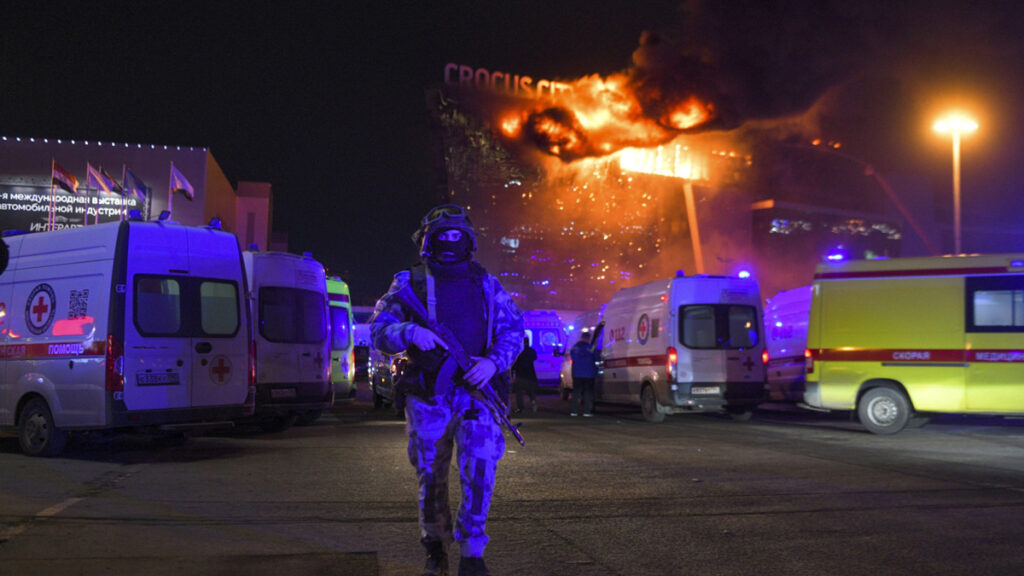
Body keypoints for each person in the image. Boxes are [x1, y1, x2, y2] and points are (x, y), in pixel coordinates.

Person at [370, 204, 524, 576]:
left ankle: (472, 552)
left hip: (476, 393)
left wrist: (492, 363)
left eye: (458, 236)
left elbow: (513, 331)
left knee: (481, 468)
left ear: (468, 241)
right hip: (428, 394)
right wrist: (409, 332)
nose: (451, 242)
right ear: (428, 241)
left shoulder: (486, 284)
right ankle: (435, 548)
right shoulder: (408, 283)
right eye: (443, 236)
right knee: (430, 475)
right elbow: (378, 330)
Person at [570, 327, 599, 417]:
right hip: (589, 374)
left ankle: (574, 411)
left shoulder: (574, 348)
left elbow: (572, 357)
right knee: (588, 393)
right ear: (588, 339)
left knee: (576, 392)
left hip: (577, 374)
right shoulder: (591, 347)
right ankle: (587, 411)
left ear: (581, 338)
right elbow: (597, 358)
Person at [511, 336, 538, 415]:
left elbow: (514, 363)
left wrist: (512, 374)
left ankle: (521, 408)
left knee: (519, 393)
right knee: (531, 392)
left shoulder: (518, 351)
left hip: (520, 375)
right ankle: (533, 405)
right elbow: (535, 358)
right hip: (530, 375)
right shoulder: (532, 351)